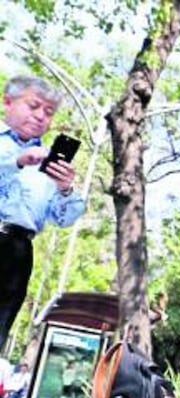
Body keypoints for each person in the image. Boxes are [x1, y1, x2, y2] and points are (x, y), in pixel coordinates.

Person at [0, 75, 86, 351]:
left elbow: (64, 218)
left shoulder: (46, 162)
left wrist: (65, 189)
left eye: (48, 112)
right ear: (8, 102)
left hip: (17, 250)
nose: (40, 116)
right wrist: (16, 161)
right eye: (33, 106)